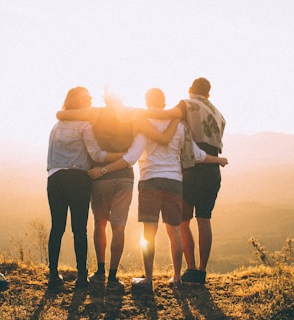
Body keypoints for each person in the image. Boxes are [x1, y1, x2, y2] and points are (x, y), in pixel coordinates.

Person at [87, 88, 228, 289]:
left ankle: (148, 279)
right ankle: (177, 277)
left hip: (150, 181)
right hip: (174, 181)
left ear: (147, 102)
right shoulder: (179, 125)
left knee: (149, 233)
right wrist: (218, 160)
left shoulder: (144, 124)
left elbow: (131, 157)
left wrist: (104, 169)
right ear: (164, 103)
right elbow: (196, 154)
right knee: (175, 231)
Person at [56, 89, 178, 290]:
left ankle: (100, 271)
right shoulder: (134, 115)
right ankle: (113, 277)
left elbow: (63, 114)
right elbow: (161, 126)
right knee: (118, 226)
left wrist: (61, 114)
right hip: (124, 177)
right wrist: (176, 115)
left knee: (100, 223)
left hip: (100, 176)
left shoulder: (95, 113)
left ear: (105, 98)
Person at [143, 77, 227, 285]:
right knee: (205, 219)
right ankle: (201, 271)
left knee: (183, 220)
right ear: (209, 94)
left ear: (191, 89)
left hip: (192, 167)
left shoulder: (186, 104)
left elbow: (165, 115)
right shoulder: (218, 114)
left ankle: (189, 269)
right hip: (212, 169)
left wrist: (137, 114)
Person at [47, 87, 123, 289]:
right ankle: (82, 277)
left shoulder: (57, 125)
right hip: (78, 179)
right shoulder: (85, 125)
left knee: (57, 228)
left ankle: (53, 275)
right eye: (87, 98)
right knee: (79, 229)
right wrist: (120, 156)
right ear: (81, 103)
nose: (90, 101)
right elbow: (96, 155)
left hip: (55, 178)